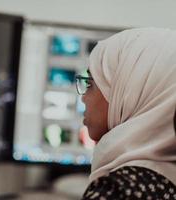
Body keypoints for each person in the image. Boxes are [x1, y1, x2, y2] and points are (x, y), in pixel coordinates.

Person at [74, 28, 176, 199]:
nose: (83, 97)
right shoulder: (164, 181)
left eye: (90, 83)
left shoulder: (118, 190)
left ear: (131, 91)